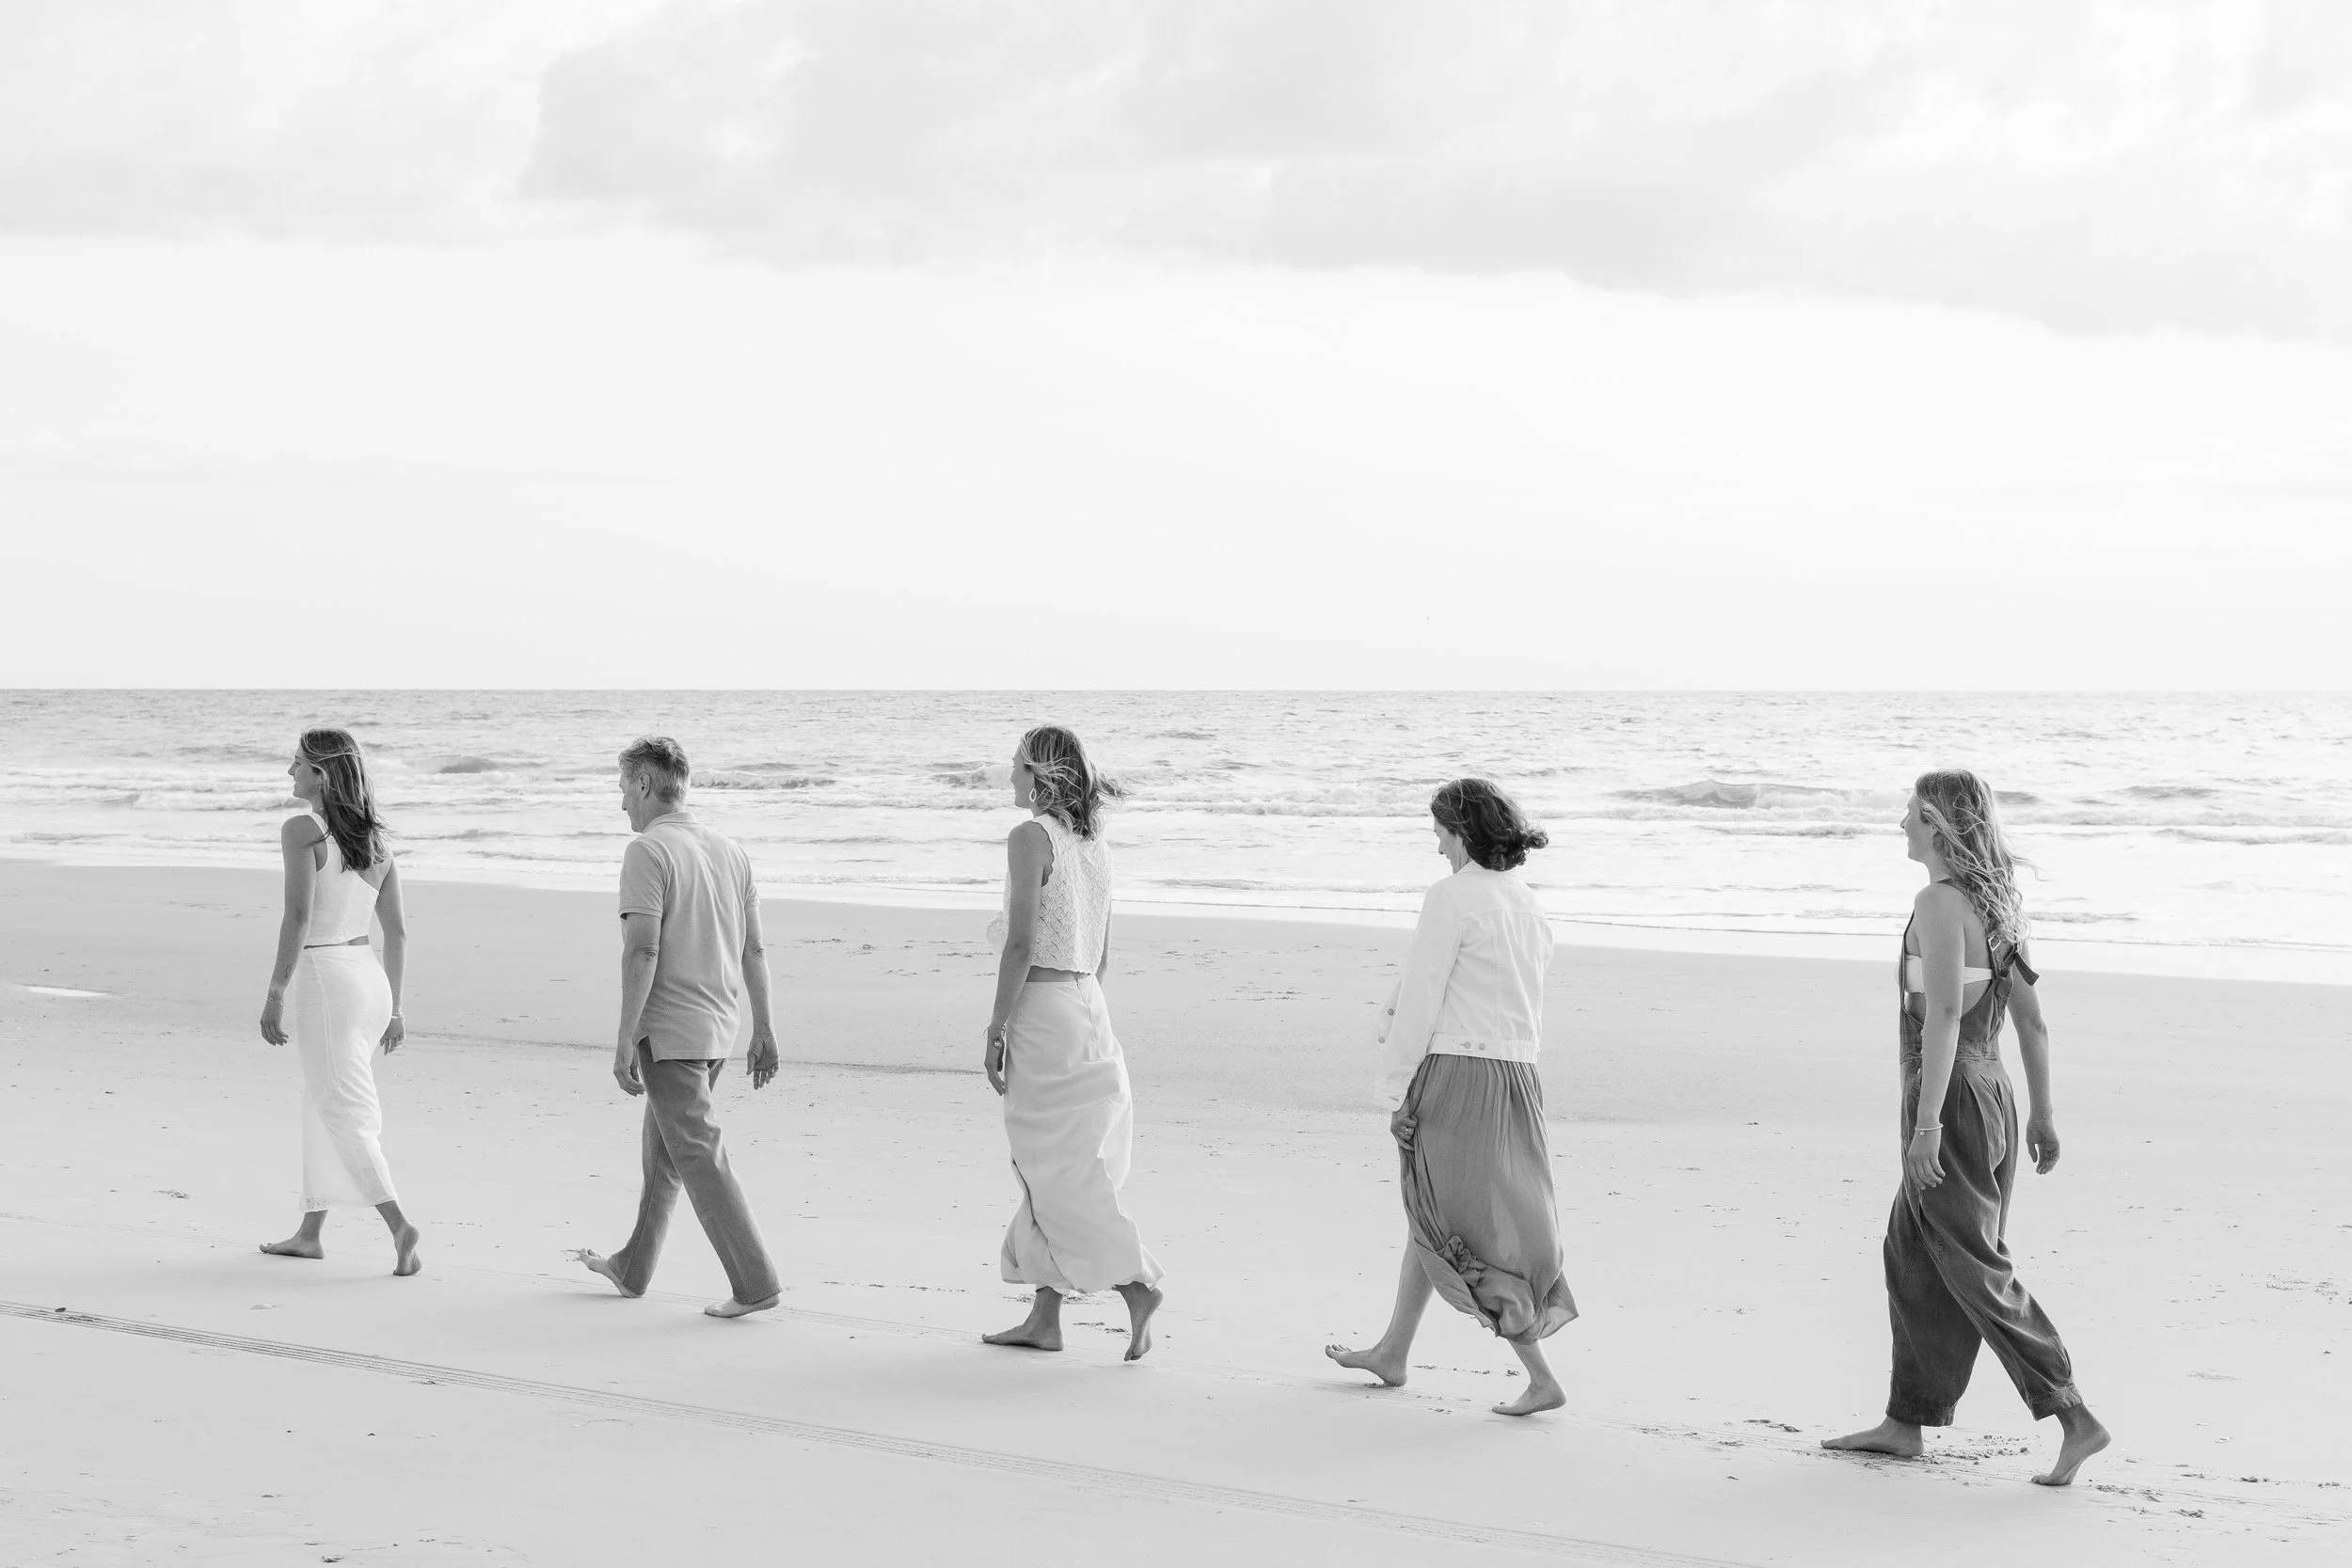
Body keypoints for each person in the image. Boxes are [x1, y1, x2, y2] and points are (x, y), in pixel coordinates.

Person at [1823, 769, 2109, 1485]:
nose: (1900, 825)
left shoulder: (1937, 902)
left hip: (1948, 1098)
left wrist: (1924, 1124)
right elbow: (2032, 1021)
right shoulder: (1998, 900)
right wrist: (2040, 1114)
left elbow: (1945, 1015)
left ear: (1940, 824)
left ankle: (2073, 1413)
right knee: (1912, 1252)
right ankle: (1905, 1420)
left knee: (1974, 1263)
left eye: (1912, 813)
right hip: (1993, 1092)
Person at [1326, 778, 1574, 1417]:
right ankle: (1393, 1350)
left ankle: (1541, 1377)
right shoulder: (1528, 902)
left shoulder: (1452, 897)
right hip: (1518, 1078)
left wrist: (1396, 1090)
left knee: (1453, 1223)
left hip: (1459, 1074)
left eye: (1439, 830)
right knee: (1434, 1213)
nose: (1436, 844)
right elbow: (1526, 1002)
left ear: (1463, 832)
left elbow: (1422, 998)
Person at [572, 736, 783, 1320]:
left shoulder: (648, 852)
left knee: (697, 1156)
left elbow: (642, 951)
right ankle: (633, 1267)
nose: (621, 805)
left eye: (622, 789)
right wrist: (763, 1027)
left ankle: (755, 1282)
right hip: (719, 1025)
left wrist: (624, 1035)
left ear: (644, 785)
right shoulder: (729, 850)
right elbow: (755, 949)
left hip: (670, 1031)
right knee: (663, 1154)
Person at [979, 724, 1165, 1359]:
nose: (1010, 777)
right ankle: (1045, 1316)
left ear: (1040, 775)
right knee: (1063, 1164)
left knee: (1050, 1165)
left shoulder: (1030, 838)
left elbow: (1022, 945)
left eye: (1017, 767)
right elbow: (1102, 954)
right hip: (1090, 1008)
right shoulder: (1094, 847)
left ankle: (1135, 1279)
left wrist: (996, 1026)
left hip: (1044, 1013)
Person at [257, 727, 421, 1276]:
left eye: (298, 763)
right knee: (322, 1103)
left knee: (344, 1112)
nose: (290, 771)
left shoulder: (303, 829)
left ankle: (399, 1224)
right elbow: (396, 933)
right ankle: (310, 1233)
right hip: (368, 981)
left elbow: (298, 918)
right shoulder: (377, 839)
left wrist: (275, 992)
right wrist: (395, 1008)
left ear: (322, 774)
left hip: (327, 980)